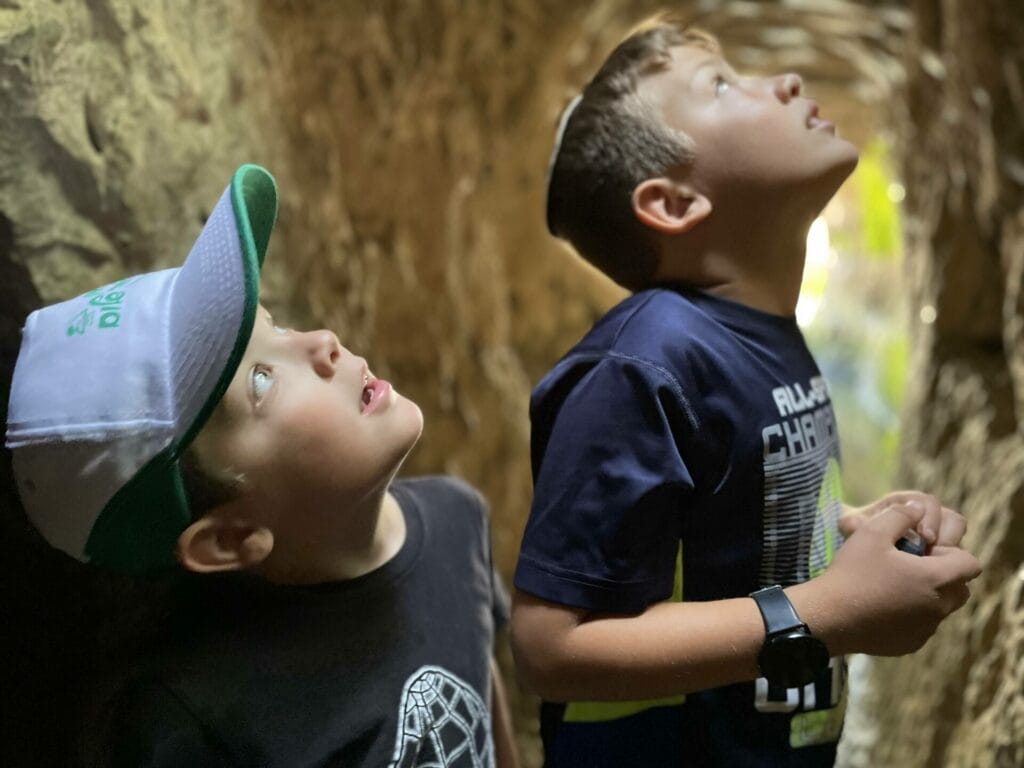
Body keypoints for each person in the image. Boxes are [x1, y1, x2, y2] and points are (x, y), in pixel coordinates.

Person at [510, 21, 980, 768]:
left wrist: (853, 533)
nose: (786, 80)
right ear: (673, 203)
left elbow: (719, 530)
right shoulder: (641, 364)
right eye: (721, 84)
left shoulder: (758, 342)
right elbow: (549, 645)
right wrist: (829, 611)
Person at [5, 164, 518, 768]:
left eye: (276, 327)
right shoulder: (194, 726)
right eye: (262, 380)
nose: (323, 341)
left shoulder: (457, 516)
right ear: (230, 538)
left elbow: (483, 693)